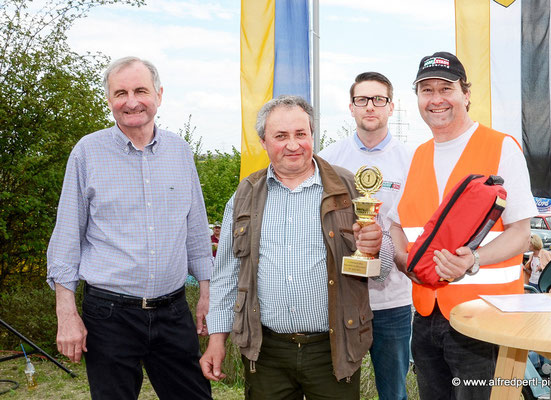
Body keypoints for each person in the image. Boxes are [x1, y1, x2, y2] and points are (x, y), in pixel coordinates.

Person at [46, 57, 213, 400]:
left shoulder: (180, 152)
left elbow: (196, 230)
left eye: (141, 90)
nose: (132, 101)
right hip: (109, 317)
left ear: (159, 95)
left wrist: (208, 294)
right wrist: (67, 313)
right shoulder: (87, 153)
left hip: (173, 312)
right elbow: (67, 237)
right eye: (120, 92)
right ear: (109, 99)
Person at [201, 95, 384, 399]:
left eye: (301, 134)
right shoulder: (245, 194)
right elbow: (226, 273)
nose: (293, 145)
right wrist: (217, 339)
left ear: (313, 135)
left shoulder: (348, 187)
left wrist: (377, 246)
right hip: (267, 351)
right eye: (281, 136)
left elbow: (381, 267)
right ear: (263, 141)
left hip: (334, 350)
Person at [389, 51, 537, 400]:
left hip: (487, 317)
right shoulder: (416, 156)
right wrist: (402, 261)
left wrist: (473, 260)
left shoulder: (501, 147)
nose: (436, 99)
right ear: (418, 98)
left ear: (465, 94)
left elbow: (521, 233)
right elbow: (396, 226)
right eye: (427, 90)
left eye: (446, 88)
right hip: (426, 317)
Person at [319, 72, 413, 400]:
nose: (370, 106)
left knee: (394, 393)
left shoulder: (413, 160)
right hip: (343, 297)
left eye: (378, 100)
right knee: (340, 391)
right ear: (351, 107)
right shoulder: (329, 159)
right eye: (362, 100)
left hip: (394, 299)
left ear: (391, 107)